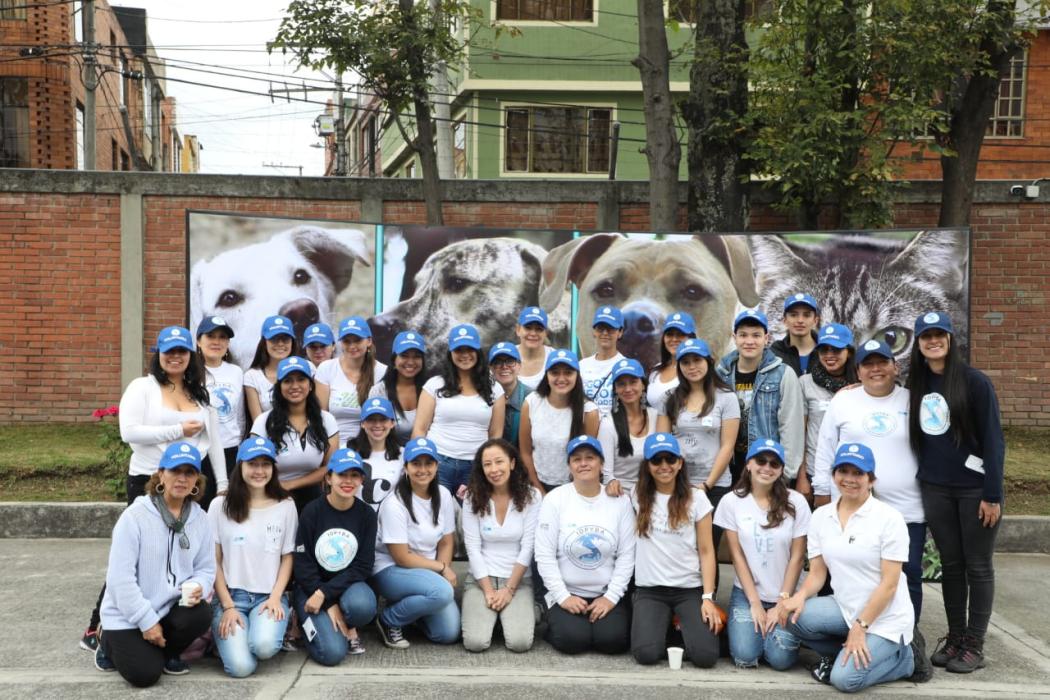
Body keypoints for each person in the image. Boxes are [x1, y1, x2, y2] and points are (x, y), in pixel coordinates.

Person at [82, 325, 227, 654]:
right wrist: (177, 428)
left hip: (188, 480)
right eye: (169, 351)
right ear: (158, 355)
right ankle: (99, 626)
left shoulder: (199, 392)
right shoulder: (143, 388)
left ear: (191, 356)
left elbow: (213, 441)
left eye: (182, 351)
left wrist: (224, 483)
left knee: (177, 557)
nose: (175, 357)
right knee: (135, 556)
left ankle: (163, 623)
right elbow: (128, 432)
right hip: (149, 479)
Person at [780, 443, 925, 692]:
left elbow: (890, 585)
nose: (849, 479)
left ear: (871, 479)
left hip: (885, 619)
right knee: (790, 617)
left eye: (858, 473)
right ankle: (848, 651)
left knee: (845, 680)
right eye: (843, 471)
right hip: (845, 607)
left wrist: (861, 627)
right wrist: (799, 596)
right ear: (834, 475)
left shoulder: (889, 519)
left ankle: (905, 659)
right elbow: (817, 573)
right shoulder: (821, 517)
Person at [907, 311, 1005, 673]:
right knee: (951, 566)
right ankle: (956, 637)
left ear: (950, 340)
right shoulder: (916, 384)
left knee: (977, 565)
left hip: (974, 490)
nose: (933, 341)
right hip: (936, 488)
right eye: (926, 336)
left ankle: (975, 644)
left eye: (939, 335)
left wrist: (992, 494)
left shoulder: (974, 382)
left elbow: (994, 441)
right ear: (918, 343)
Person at [812, 339, 927, 630]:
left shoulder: (912, 400)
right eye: (868, 364)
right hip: (851, 505)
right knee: (843, 570)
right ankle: (845, 633)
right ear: (858, 370)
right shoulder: (844, 400)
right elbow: (825, 448)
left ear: (894, 366)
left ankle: (906, 638)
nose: (876, 369)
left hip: (906, 505)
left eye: (882, 362)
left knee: (907, 573)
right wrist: (822, 492)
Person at [94, 443, 214, 687]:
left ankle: (169, 653)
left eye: (189, 472)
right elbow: (119, 580)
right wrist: (146, 621)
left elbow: (206, 568)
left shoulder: (200, 518)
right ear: (161, 474)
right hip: (127, 614)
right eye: (174, 471)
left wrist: (199, 584)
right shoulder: (135, 517)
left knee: (201, 613)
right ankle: (106, 641)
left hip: (168, 608)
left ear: (196, 480)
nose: (181, 478)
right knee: (145, 675)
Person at [534, 436, 636, 655]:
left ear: (601, 463)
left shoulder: (621, 502)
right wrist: (563, 597)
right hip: (566, 590)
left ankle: (599, 620)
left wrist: (611, 597)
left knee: (613, 642)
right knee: (572, 641)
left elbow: (627, 555)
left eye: (590, 458)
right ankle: (553, 619)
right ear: (569, 466)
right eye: (576, 459)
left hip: (605, 591)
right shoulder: (554, 499)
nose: (583, 463)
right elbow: (544, 555)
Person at [714, 439, 809, 670]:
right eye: (761, 461)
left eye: (774, 464)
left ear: (781, 470)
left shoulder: (796, 501)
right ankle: (749, 632)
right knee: (746, 656)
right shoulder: (731, 501)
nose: (767, 468)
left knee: (780, 660)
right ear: (748, 464)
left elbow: (797, 557)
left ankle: (764, 633)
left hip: (783, 594)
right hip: (747, 594)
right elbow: (737, 555)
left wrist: (782, 603)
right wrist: (755, 603)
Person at [630, 433, 722, 668]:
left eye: (670, 459)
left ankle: (682, 628)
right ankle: (668, 629)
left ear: (680, 463)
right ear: (647, 465)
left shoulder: (697, 498)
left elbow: (707, 551)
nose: (664, 466)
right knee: (646, 654)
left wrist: (708, 597)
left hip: (688, 589)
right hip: (650, 590)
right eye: (656, 460)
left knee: (706, 656)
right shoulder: (636, 496)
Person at [209, 437, 297, 678]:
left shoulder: (286, 505)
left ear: (273, 469)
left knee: (264, 646)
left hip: (268, 597)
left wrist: (277, 597)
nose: (259, 471)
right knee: (240, 668)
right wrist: (227, 606)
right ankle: (222, 635)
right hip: (231, 597)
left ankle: (264, 629)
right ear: (240, 467)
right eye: (252, 464)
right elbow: (213, 561)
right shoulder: (220, 505)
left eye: (265, 464)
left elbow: (287, 557)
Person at [371, 437, 460, 648]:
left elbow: (447, 542)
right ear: (406, 468)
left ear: (437, 466)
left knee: (447, 633)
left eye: (428, 463)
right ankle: (389, 619)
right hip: (391, 569)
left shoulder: (444, 495)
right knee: (442, 592)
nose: (422, 469)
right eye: (416, 463)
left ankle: (412, 613)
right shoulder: (395, 503)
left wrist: (443, 569)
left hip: (426, 571)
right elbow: (402, 557)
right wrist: (441, 569)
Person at [293, 448, 379, 665]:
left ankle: (348, 622)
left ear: (361, 480)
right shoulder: (312, 511)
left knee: (363, 606)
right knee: (332, 654)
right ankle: (300, 621)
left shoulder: (367, 515)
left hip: (344, 587)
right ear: (329, 478)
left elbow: (363, 566)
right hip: (310, 588)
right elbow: (302, 566)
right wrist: (325, 599)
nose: (348, 481)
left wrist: (326, 594)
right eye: (342, 474)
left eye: (354, 475)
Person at [461, 439, 542, 652]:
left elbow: (528, 548)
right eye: (487, 464)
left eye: (499, 462)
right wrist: (488, 591)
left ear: (512, 463)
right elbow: (472, 548)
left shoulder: (532, 496)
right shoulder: (471, 497)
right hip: (481, 580)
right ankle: (495, 614)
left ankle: (528, 609)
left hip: (518, 580)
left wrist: (509, 589)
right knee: (475, 643)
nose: (494, 469)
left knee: (519, 643)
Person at [716, 308, 805, 485]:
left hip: (767, 469)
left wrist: (785, 475)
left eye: (756, 335)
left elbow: (791, 427)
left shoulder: (783, 374)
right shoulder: (720, 375)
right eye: (743, 335)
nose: (749, 341)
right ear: (735, 338)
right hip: (726, 471)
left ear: (766, 338)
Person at [413, 324, 505, 495]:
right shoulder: (434, 385)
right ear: (450, 353)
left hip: (475, 466)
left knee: (471, 517)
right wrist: (421, 462)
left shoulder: (495, 389)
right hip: (438, 462)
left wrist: (486, 467)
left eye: (470, 349)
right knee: (437, 517)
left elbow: (495, 434)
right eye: (459, 350)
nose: (465, 355)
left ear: (478, 352)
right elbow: (420, 429)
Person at [251, 356, 339, 513]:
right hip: (272, 494)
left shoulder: (326, 420)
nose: (295, 386)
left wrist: (291, 484)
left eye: (301, 380)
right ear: (279, 387)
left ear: (310, 385)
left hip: (313, 497)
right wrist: (280, 487)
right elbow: (252, 466)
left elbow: (331, 467)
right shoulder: (263, 422)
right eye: (288, 381)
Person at [657, 338, 740, 501]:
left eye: (697, 360)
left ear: (709, 361)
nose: (692, 367)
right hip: (677, 484)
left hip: (715, 485)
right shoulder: (669, 398)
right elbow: (662, 445)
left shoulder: (727, 397)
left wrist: (707, 485)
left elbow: (728, 447)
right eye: (686, 362)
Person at [520, 349, 600, 493]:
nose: (561, 378)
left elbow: (588, 460)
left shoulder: (589, 411)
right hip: (536, 485)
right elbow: (525, 452)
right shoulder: (531, 403)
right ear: (546, 375)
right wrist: (539, 490)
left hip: (573, 489)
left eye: (568, 372)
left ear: (577, 375)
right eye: (555, 372)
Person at [797, 323, 857, 503]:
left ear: (849, 352)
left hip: (854, 473)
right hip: (815, 472)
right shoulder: (805, 383)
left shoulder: (862, 384)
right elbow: (800, 432)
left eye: (836, 350)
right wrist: (801, 478)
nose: (830, 355)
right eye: (824, 350)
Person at [316, 316, 387, 446]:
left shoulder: (383, 372)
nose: (352, 346)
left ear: (369, 341)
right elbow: (321, 417)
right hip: (333, 445)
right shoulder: (327, 368)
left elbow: (386, 419)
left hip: (371, 446)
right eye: (347, 341)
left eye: (357, 340)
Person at [196, 315, 244, 511]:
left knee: (227, 508)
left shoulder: (236, 372)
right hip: (201, 450)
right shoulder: (190, 371)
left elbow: (239, 414)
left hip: (230, 449)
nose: (217, 342)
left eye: (222, 337)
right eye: (211, 336)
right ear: (199, 341)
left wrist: (239, 443)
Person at [599, 358, 657, 497]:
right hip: (620, 496)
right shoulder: (608, 424)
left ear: (643, 384)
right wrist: (612, 483)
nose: (628, 389)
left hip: (651, 495)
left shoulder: (656, 417)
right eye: (621, 384)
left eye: (633, 382)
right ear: (615, 389)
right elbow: (607, 473)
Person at [368, 330, 426, 443]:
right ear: (394, 360)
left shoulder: (430, 390)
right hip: (390, 456)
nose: (410, 362)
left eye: (416, 357)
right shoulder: (379, 391)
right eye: (404, 356)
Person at [350, 397, 404, 511]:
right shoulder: (348, 451)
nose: (377, 425)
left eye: (383, 419)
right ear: (362, 423)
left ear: (392, 423)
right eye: (371, 419)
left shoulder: (403, 455)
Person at [245, 315, 302, 422]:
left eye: (285, 339)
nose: (280, 344)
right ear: (264, 342)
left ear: (292, 341)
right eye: (274, 338)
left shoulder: (307, 369)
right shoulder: (252, 376)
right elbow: (258, 423)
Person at [579, 306, 626, 418]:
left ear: (620, 332)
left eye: (610, 328)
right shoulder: (582, 365)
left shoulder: (626, 366)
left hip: (614, 431)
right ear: (594, 331)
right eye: (600, 328)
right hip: (585, 430)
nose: (605, 333)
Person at [647, 312, 697, 414]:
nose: (674, 339)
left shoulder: (697, 371)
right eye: (669, 334)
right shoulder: (655, 372)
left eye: (681, 334)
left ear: (691, 338)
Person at [489, 342, 531, 446]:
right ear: (490, 368)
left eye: (510, 361)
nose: (504, 366)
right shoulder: (483, 396)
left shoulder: (531, 398)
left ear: (519, 365)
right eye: (498, 362)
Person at [771, 293, 821, 376]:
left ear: (815, 321)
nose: (800, 320)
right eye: (793, 315)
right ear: (785, 320)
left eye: (806, 315)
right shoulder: (774, 353)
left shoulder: (826, 351)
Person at [515, 306, 554, 390]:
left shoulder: (554, 357)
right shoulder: (505, 356)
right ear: (518, 330)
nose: (533, 333)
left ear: (546, 333)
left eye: (539, 329)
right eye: (528, 328)